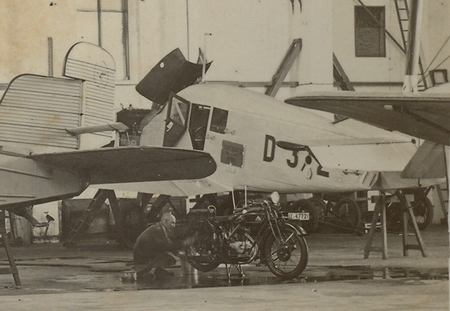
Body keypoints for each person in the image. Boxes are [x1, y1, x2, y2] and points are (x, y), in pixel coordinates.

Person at [133, 212, 191, 281]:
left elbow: (167, 244)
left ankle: (159, 270)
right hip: (142, 256)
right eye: (172, 223)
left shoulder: (159, 228)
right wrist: (184, 243)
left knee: (163, 252)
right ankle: (144, 272)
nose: (174, 225)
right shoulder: (158, 230)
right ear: (165, 221)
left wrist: (178, 254)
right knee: (169, 259)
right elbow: (169, 246)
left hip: (142, 253)